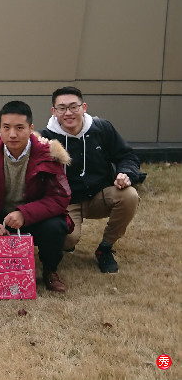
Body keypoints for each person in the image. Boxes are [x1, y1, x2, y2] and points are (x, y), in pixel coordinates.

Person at [0, 101, 71, 292]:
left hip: (33, 216)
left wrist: (24, 214)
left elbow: (60, 197)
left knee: (56, 226)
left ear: (31, 128)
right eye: (6, 127)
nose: (12, 134)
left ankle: (50, 270)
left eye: (19, 128)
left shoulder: (48, 154)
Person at [41, 86, 143, 273]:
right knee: (66, 239)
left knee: (129, 196)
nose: (68, 113)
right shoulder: (46, 139)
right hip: (67, 201)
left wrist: (125, 174)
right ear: (54, 111)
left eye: (74, 106)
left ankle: (105, 248)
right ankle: (67, 243)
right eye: (62, 108)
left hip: (100, 195)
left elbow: (127, 156)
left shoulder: (102, 128)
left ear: (84, 107)